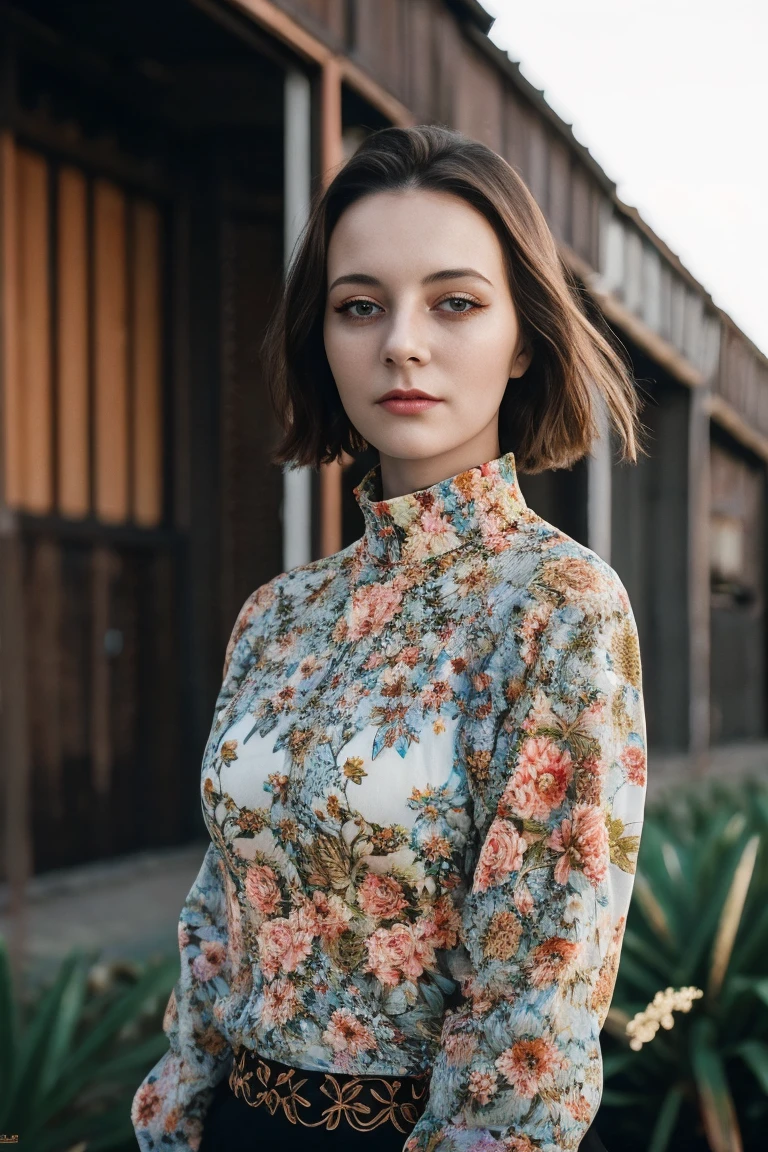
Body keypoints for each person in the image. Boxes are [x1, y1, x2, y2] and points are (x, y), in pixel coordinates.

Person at [131, 124, 647, 1152]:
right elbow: (220, 914)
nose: (401, 342)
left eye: (454, 302)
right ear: (323, 339)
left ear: (525, 337)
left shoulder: (558, 604)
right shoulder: (277, 615)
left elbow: (539, 988)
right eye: (359, 306)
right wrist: (173, 1113)